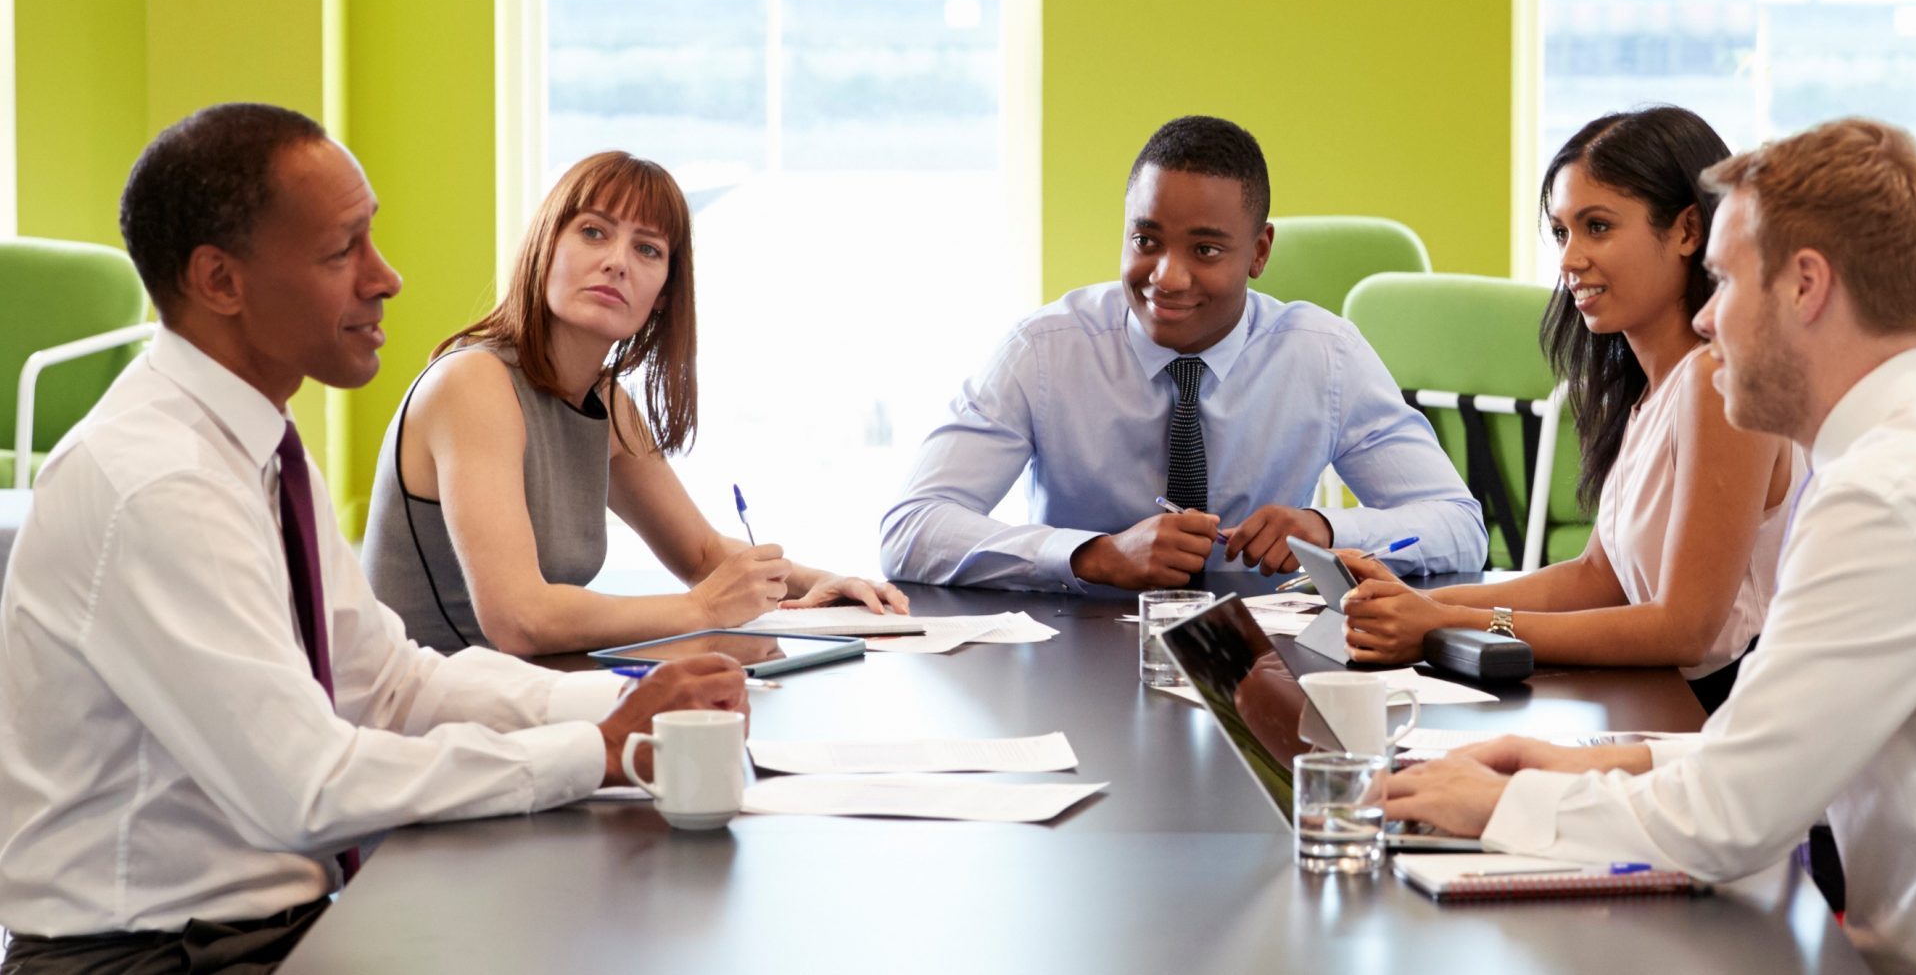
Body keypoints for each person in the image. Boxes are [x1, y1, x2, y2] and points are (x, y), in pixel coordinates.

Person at [1381, 119, 1916, 974]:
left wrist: (1501, 805)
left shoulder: (1891, 495)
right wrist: (1603, 762)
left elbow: (1727, 820)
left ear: (1804, 286)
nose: (1705, 317)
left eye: (1721, 280)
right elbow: (1781, 750)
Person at [0, 105, 748, 973]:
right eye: (341, 251)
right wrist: (600, 750)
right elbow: (309, 787)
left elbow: (388, 684)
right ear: (220, 281)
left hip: (264, 931)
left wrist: (624, 704)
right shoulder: (159, 482)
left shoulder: (256, 446)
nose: (386, 278)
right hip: (151, 959)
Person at [879, 115, 1487, 592]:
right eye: (1146, 240)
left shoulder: (1325, 357)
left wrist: (1327, 531)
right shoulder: (1042, 353)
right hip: (1078, 647)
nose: (1167, 278)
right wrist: (1092, 555)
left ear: (1259, 252)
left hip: (1263, 657)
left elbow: (1459, 527)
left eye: (1206, 250)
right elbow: (912, 527)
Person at [1339, 106, 1799, 711]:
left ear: (1688, 231)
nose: (1569, 259)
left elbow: (1684, 630)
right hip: (1659, 703)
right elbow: (1596, 579)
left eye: (1597, 227)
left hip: (1722, 718)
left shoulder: (1716, 380)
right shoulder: (1650, 389)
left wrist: (1444, 622)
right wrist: (1415, 603)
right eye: (1560, 232)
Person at [360, 151, 906, 657]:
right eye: (593, 232)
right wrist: (702, 610)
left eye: (647, 249)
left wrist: (822, 584)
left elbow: (701, 554)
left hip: (529, 696)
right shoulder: (472, 382)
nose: (617, 262)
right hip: (434, 713)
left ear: (664, 293)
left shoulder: (607, 402)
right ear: (546, 245)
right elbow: (519, 618)